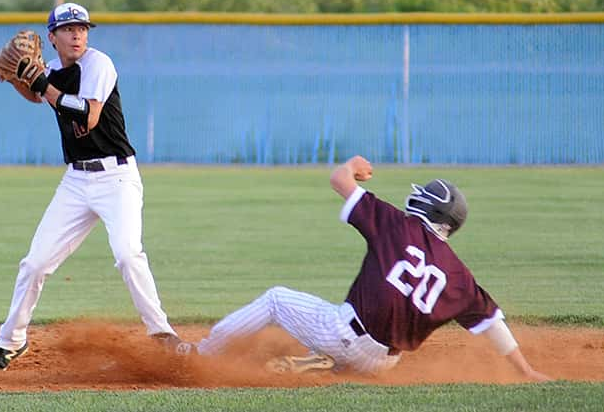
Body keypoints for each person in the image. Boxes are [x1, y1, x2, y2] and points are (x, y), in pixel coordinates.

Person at [180, 155, 551, 381]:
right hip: (383, 364)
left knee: (277, 300)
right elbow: (494, 326)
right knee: (344, 346)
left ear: (430, 210)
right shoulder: (460, 277)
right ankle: (325, 365)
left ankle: (201, 354)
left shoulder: (397, 225)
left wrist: (351, 166)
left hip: (345, 334)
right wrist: (527, 371)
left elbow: (338, 180)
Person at [0, 2, 181, 370]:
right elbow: (38, 96)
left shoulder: (98, 64)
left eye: (83, 28)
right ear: (52, 37)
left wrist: (41, 82)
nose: (77, 34)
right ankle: (10, 342)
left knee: (127, 253)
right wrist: (15, 79)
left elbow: (86, 116)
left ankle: (162, 334)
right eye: (69, 28)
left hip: (116, 178)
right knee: (35, 263)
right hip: (76, 181)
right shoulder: (55, 69)